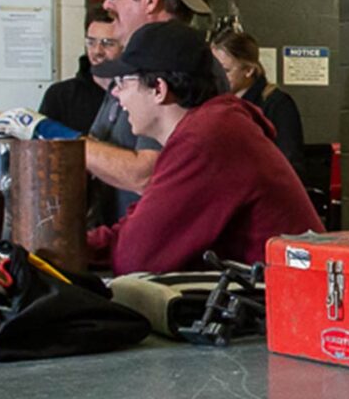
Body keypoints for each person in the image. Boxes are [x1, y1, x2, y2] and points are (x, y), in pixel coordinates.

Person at [86, 21, 322, 273]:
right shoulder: (207, 130)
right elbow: (139, 228)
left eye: (123, 82)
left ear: (158, 88)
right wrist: (62, 248)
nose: (116, 94)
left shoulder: (205, 139)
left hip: (279, 303)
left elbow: (135, 258)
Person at [84, 0, 214, 222]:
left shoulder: (177, 66)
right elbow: (97, 144)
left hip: (155, 254)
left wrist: (51, 139)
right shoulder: (132, 64)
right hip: (123, 243)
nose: (107, 4)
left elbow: (146, 174)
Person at [210, 26, 309, 183]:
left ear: (248, 70)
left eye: (225, 71)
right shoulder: (216, 105)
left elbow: (290, 164)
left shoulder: (277, 105)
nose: (216, 78)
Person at [36, 11, 120, 136]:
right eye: (91, 42)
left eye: (108, 43)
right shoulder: (60, 95)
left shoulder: (139, 95)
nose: (97, 51)